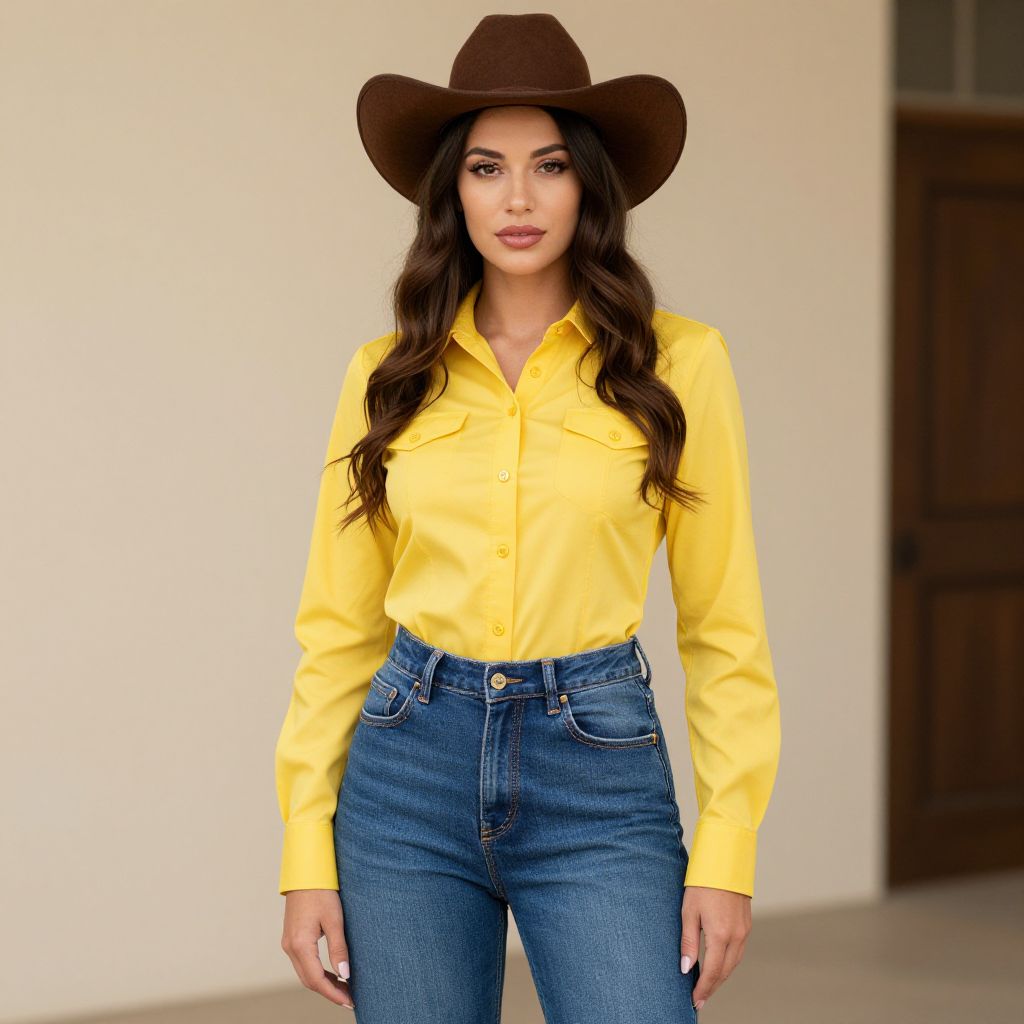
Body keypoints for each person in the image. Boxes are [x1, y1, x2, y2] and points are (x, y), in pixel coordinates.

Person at [275, 13, 781, 1023]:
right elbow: (338, 630)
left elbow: (723, 628)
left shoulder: (679, 365)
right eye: (485, 168)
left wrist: (727, 850)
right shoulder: (384, 378)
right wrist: (303, 851)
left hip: (594, 763)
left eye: (548, 166)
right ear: (450, 190)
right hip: (403, 769)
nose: (516, 198)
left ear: (588, 182)